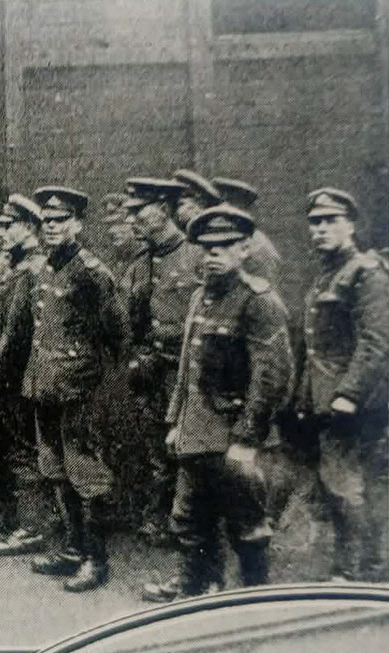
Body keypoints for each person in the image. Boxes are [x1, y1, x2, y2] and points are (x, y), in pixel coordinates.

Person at [142, 204, 292, 602]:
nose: (212, 255)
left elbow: (271, 376)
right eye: (206, 248)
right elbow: (186, 371)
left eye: (223, 247)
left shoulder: (258, 301)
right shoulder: (198, 298)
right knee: (189, 522)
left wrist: (246, 439)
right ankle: (197, 595)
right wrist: (176, 420)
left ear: (244, 250)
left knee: (247, 529)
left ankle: (255, 605)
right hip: (196, 434)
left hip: (232, 440)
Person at [0, 186, 125, 591]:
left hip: (79, 390)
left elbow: (116, 338)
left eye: (60, 220)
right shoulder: (38, 271)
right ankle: (71, 549)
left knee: (86, 472)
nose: (51, 227)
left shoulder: (92, 273)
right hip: (42, 386)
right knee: (54, 469)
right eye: (46, 221)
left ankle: (95, 560)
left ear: (78, 224)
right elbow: (18, 333)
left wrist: (100, 391)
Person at [293, 188, 389, 582]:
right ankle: (362, 566)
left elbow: (376, 339)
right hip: (327, 399)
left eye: (331, 221)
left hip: (356, 402)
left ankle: (357, 572)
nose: (321, 229)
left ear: (351, 225)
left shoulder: (365, 273)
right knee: (342, 483)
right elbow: (315, 347)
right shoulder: (327, 275)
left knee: (347, 483)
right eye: (316, 222)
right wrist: (304, 396)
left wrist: (349, 394)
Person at [121, 178, 202, 547]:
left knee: (186, 448)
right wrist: (138, 357)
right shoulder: (140, 264)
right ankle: (161, 519)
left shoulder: (196, 255)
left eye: (139, 211)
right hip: (153, 369)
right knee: (154, 445)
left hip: (187, 371)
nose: (131, 218)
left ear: (165, 211)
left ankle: (192, 525)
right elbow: (129, 320)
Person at [0, 194, 45, 555]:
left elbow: (13, 332)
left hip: (17, 378)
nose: (2, 232)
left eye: (9, 226)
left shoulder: (30, 270)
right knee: (0, 447)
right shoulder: (18, 267)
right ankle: (10, 519)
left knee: (20, 450)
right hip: (11, 376)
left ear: (30, 228)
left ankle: (30, 527)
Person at [211, 177, 282, 285]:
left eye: (230, 204)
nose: (222, 208)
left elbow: (265, 288)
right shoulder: (219, 237)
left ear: (242, 209)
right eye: (221, 202)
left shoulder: (258, 244)